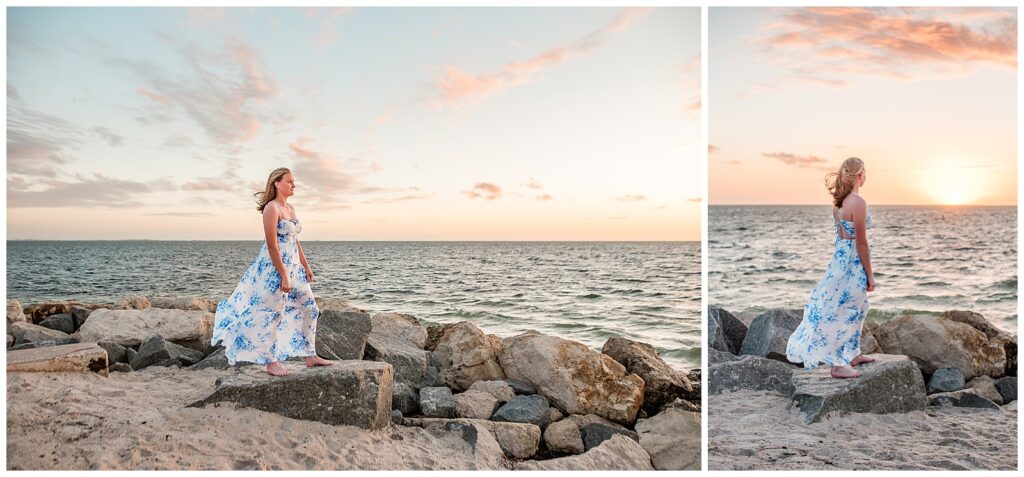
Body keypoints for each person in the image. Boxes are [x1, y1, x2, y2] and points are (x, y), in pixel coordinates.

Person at [211, 167, 333, 376]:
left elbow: (295, 241)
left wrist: (306, 266)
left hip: (294, 268)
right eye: (289, 181)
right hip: (273, 270)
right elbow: (272, 246)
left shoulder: (291, 208)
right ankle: (270, 361)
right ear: (277, 183)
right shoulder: (271, 208)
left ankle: (310, 355)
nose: (293, 185)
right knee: (273, 314)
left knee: (310, 309)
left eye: (293, 181)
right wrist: (283, 274)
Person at [786, 157, 876, 378]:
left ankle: (853, 353)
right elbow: (861, 243)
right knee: (845, 310)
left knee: (858, 307)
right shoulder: (858, 202)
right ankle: (837, 364)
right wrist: (870, 275)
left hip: (839, 262)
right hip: (852, 264)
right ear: (860, 175)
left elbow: (842, 238)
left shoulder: (839, 203)